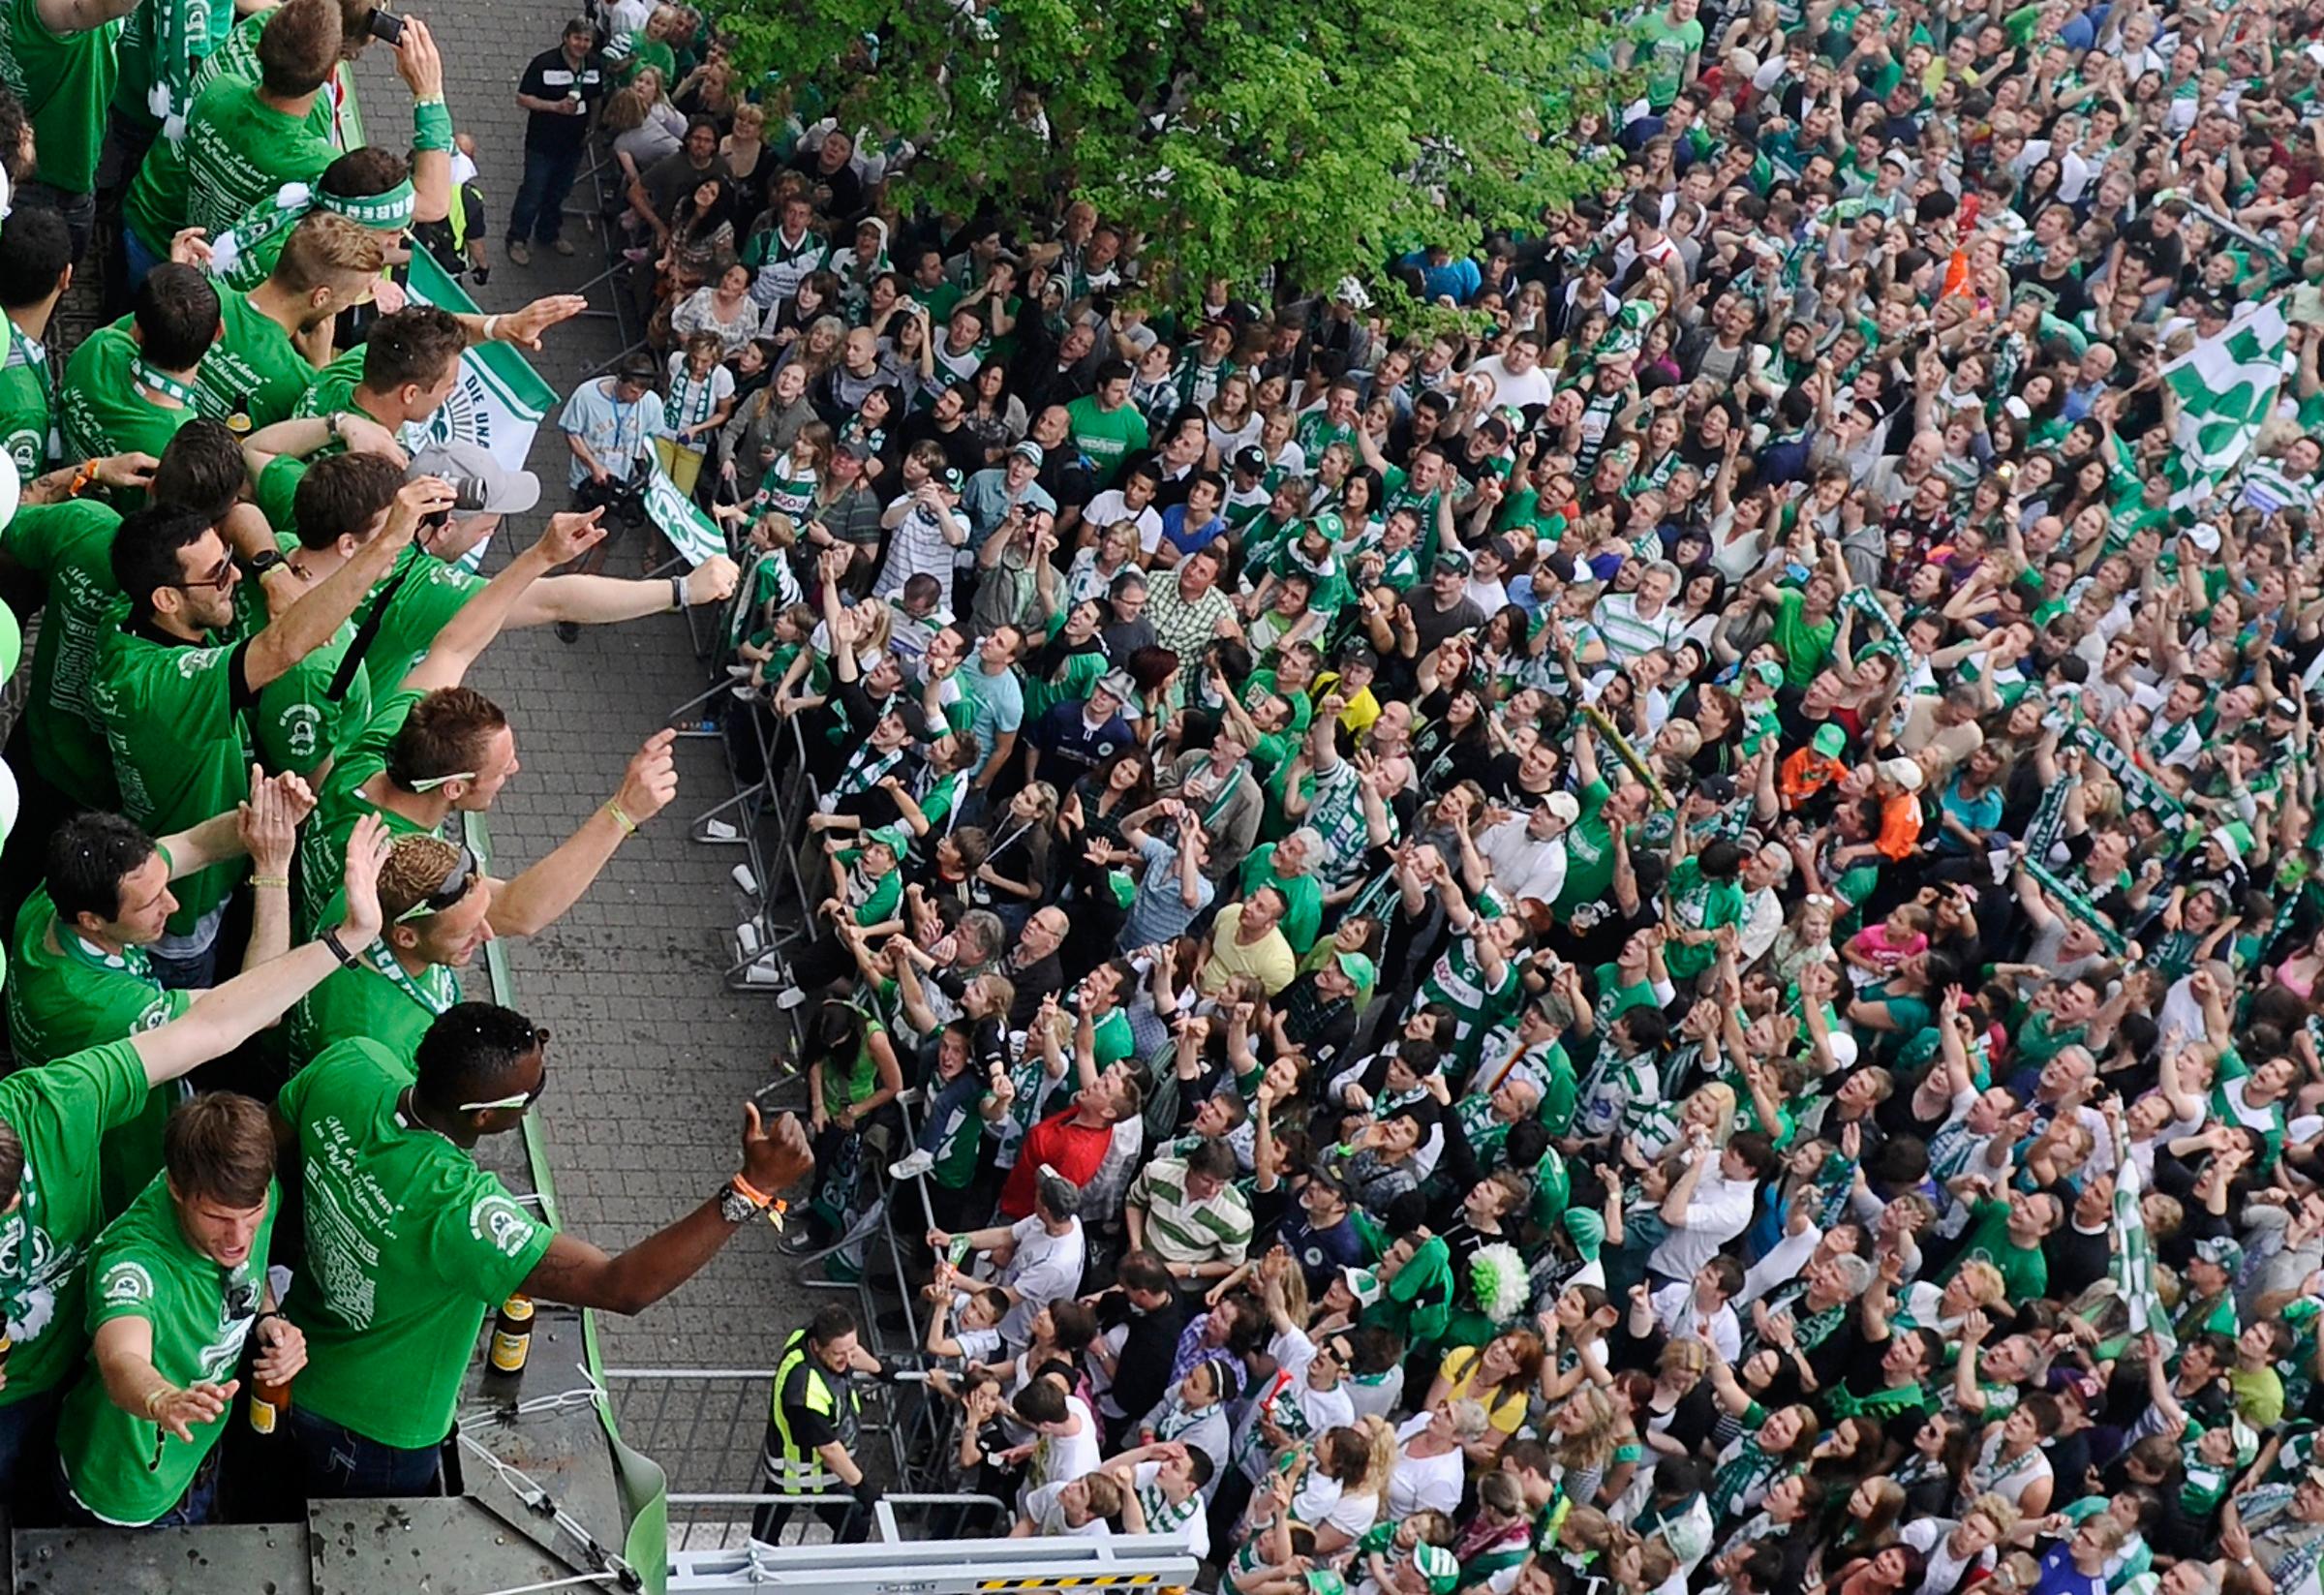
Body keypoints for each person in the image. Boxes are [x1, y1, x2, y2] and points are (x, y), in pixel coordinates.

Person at [0, 807, 388, 1502]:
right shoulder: (92, 1007)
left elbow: (216, 1022)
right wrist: (153, 1399)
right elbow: (126, 1357)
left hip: (63, 1339)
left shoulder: (54, 1100)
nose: (171, 906)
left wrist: (346, 936)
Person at [276, 1001, 813, 1496]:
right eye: (533, 1093)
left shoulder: (351, 1064)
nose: (535, 1100)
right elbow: (621, 1287)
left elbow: (261, 1149)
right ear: (484, 1116)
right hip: (378, 1431)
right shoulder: (460, 1210)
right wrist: (751, 1189)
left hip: (290, 1356)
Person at [52, 1093, 304, 1527]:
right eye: (217, 1217)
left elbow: (252, 1266)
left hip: (200, 1450)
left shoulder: (254, 1193)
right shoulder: (133, 1263)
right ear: (175, 1188)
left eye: (253, 1215)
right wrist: (160, 1397)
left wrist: (269, 1318)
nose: (238, 1238)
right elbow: (122, 1358)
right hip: (129, 1488)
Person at [506, 17, 604, 265]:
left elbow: (596, 99)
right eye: (577, 38)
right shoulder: (544, 64)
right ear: (565, 37)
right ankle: (517, 239)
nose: (581, 44)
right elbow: (523, 98)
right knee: (533, 192)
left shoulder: (593, 65)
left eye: (586, 40)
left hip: (574, 145)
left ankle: (548, 233)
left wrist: (592, 127)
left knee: (559, 192)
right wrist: (554, 107)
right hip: (542, 143)